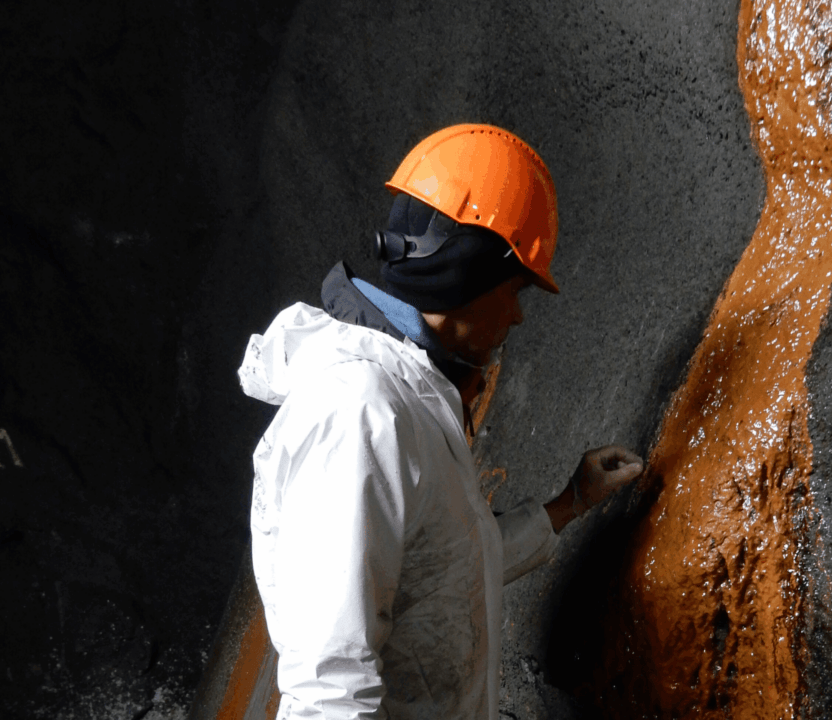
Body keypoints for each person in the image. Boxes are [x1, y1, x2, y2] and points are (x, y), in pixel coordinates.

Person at [237, 123, 643, 720]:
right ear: (467, 276)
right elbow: (329, 693)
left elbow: (440, 576)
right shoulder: (359, 414)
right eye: (516, 292)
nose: (518, 318)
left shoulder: (406, 397)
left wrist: (568, 504)